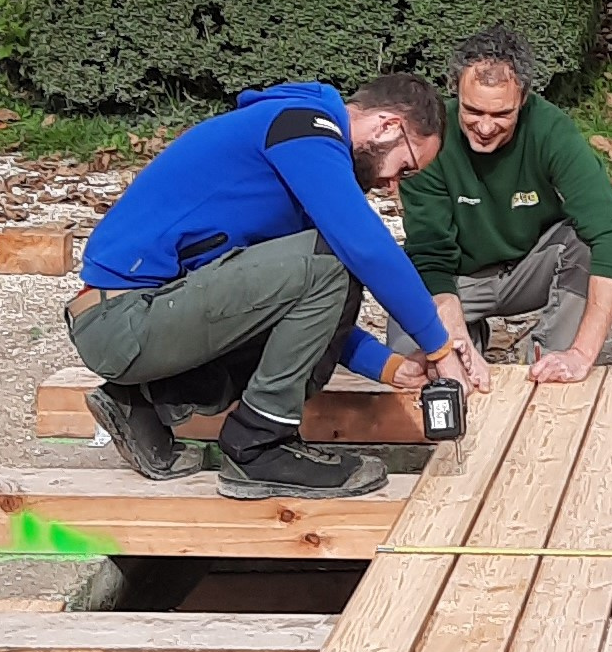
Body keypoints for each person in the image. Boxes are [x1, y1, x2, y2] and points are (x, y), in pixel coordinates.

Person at [68, 71, 486, 498]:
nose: (392, 185)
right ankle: (259, 446)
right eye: (404, 168)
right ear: (387, 126)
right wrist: (439, 345)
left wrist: (392, 368)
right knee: (332, 260)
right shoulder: (302, 126)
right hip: (122, 321)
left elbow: (305, 314)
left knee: (326, 270)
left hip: (138, 319)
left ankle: (146, 401)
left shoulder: (297, 150)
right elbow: (366, 248)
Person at [397, 26, 612, 384]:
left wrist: (582, 354)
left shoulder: (551, 129)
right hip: (457, 279)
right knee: (416, 367)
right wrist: (450, 343)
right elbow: (429, 256)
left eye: (501, 114)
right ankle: (468, 342)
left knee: (585, 244)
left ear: (523, 99)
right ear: (456, 92)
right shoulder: (431, 140)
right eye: (473, 111)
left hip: (529, 268)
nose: (485, 127)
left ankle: (551, 358)